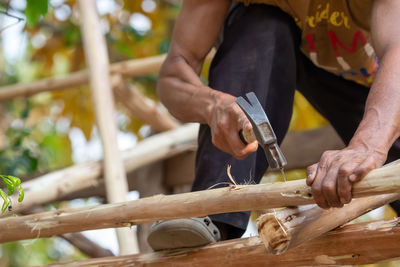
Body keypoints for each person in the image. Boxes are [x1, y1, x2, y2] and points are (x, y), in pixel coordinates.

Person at [147, 0, 400, 250]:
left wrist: (367, 146)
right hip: (288, 48)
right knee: (260, 21)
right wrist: (212, 106)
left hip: (385, 86)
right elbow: (174, 75)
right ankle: (213, 216)